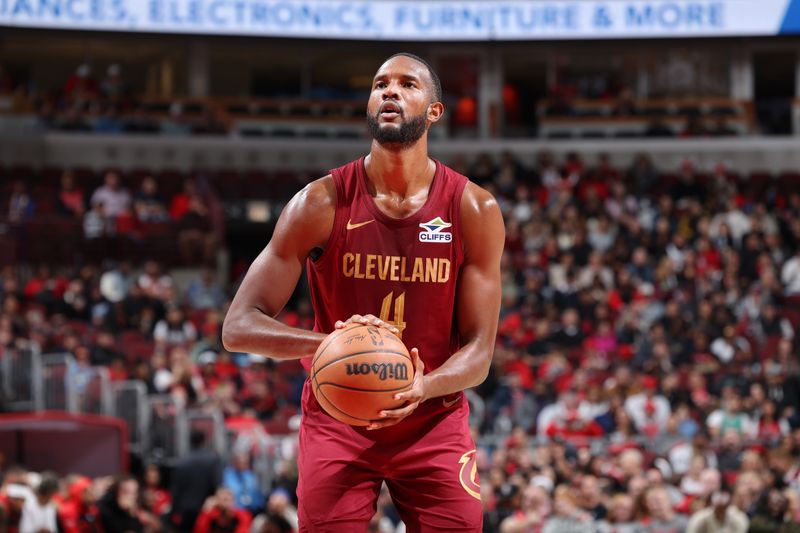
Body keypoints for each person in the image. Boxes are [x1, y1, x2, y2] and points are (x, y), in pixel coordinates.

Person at [222, 52, 504, 531]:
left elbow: (479, 353)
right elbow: (238, 327)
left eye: (407, 84)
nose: (389, 91)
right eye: (380, 84)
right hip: (338, 420)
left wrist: (422, 386)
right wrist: (331, 347)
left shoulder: (473, 208)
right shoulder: (319, 203)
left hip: (433, 419)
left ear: (434, 111)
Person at [171, 431, 222, 532]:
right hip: (205, 509)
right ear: (204, 441)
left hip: (185, 509)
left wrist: (175, 510)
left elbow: (176, 488)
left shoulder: (182, 461)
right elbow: (216, 484)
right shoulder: (212, 460)